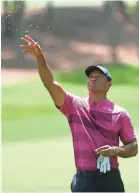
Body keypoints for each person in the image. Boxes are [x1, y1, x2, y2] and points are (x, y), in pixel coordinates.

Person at [21, 35, 138, 192]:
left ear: (108, 84)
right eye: (90, 77)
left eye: (98, 77)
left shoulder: (120, 114)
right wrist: (40, 60)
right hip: (83, 180)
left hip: (110, 179)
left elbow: (133, 148)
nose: (92, 79)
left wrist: (115, 150)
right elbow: (50, 84)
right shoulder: (74, 105)